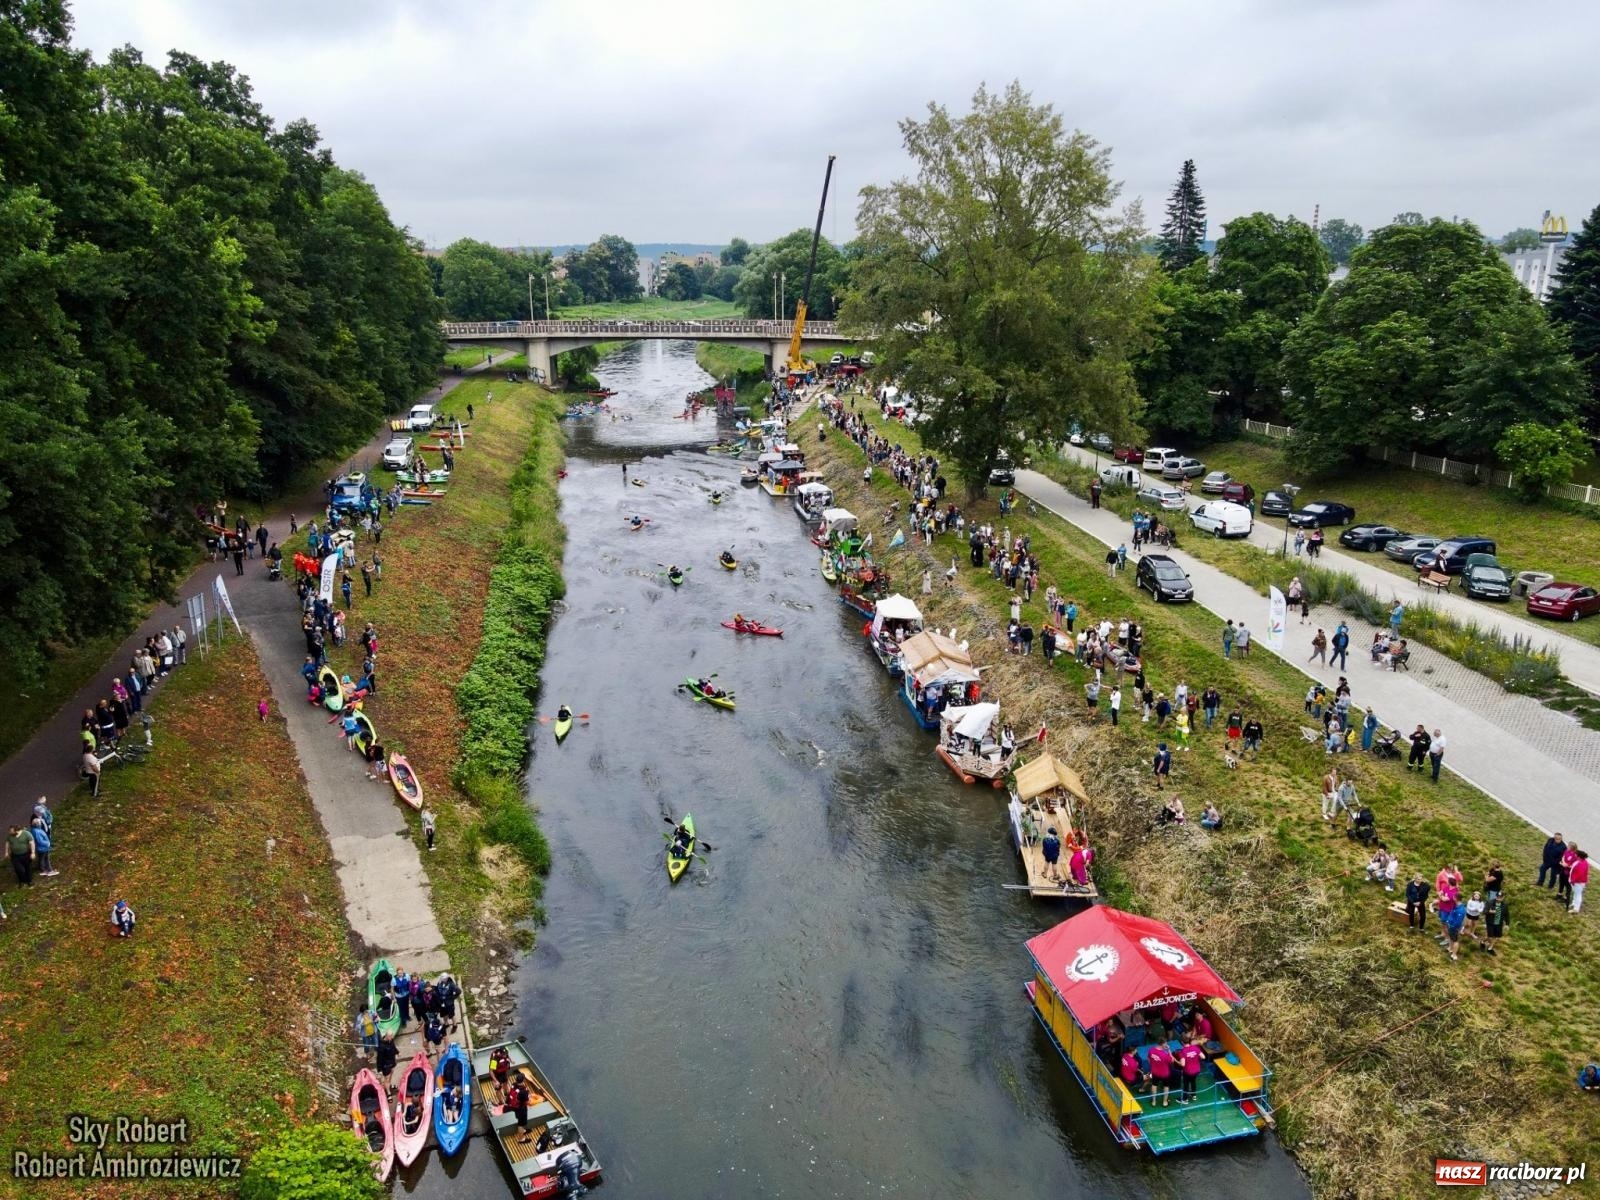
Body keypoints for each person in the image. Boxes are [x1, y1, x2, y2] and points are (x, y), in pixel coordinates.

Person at [1177, 1038, 1206, 1103]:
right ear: (1189, 1042)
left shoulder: (1182, 1051)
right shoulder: (1195, 1048)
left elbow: (1183, 1064)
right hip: (1197, 1070)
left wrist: (1177, 1062)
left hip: (1188, 1072)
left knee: (1186, 1084)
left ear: (1182, 1042)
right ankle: (1194, 1095)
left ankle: (1185, 1099)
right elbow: (1203, 1057)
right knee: (1193, 1081)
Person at [1570, 850, 1590, 914]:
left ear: (1579, 856)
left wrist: (1573, 881)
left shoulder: (1582, 864)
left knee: (1578, 894)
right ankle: (1574, 903)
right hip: (1576, 881)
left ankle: (1576, 909)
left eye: (1576, 854)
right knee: (1575, 893)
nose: (1575, 855)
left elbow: (1579, 875)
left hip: (1578, 882)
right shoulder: (1581, 861)